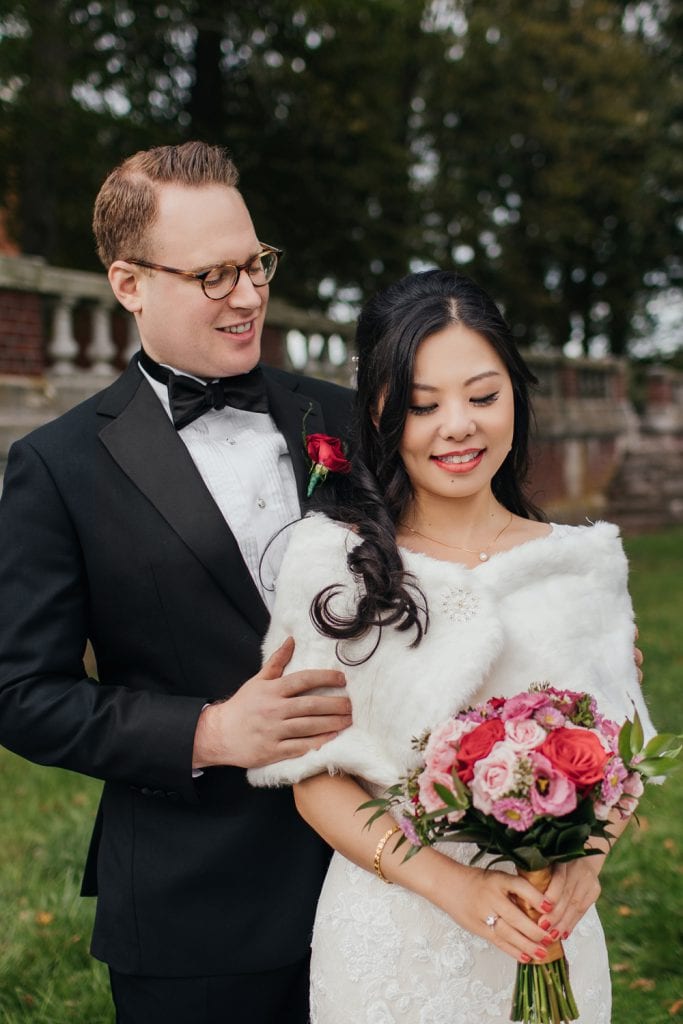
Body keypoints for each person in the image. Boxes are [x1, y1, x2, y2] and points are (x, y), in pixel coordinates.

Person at [0, 141, 354, 1024]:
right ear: (128, 284)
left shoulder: (339, 415)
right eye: (212, 275)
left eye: (255, 263)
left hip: (381, 877)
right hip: (195, 908)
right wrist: (210, 731)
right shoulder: (57, 466)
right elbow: (20, 692)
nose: (247, 296)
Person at [248, 269, 655, 1024]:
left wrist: (586, 862)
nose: (458, 425)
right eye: (421, 405)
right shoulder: (328, 562)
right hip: (391, 942)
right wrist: (451, 885)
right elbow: (314, 779)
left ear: (514, 393)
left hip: (549, 933)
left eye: (482, 395)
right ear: (377, 412)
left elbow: (621, 755)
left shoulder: (585, 562)